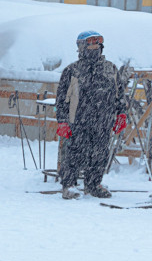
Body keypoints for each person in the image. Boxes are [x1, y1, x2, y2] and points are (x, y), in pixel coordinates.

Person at [54, 30, 127, 200]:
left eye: (97, 45)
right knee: (73, 154)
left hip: (103, 121)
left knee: (99, 154)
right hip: (78, 121)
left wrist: (121, 114)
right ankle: (69, 185)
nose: (94, 48)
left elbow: (120, 94)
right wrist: (62, 121)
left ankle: (94, 185)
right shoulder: (72, 70)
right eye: (90, 45)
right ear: (81, 48)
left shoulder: (110, 69)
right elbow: (62, 99)